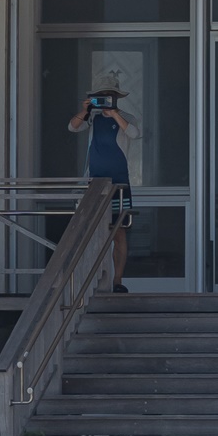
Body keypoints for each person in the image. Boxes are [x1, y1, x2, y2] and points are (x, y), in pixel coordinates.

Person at [68, 72, 135, 293]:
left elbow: (135, 133)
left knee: (119, 232)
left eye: (109, 95)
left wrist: (114, 113)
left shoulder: (125, 117)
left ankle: (117, 280)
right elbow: (72, 127)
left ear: (117, 97)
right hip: (95, 184)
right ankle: (94, 280)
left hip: (119, 184)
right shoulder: (92, 118)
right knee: (93, 232)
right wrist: (86, 110)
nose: (106, 99)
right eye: (101, 96)